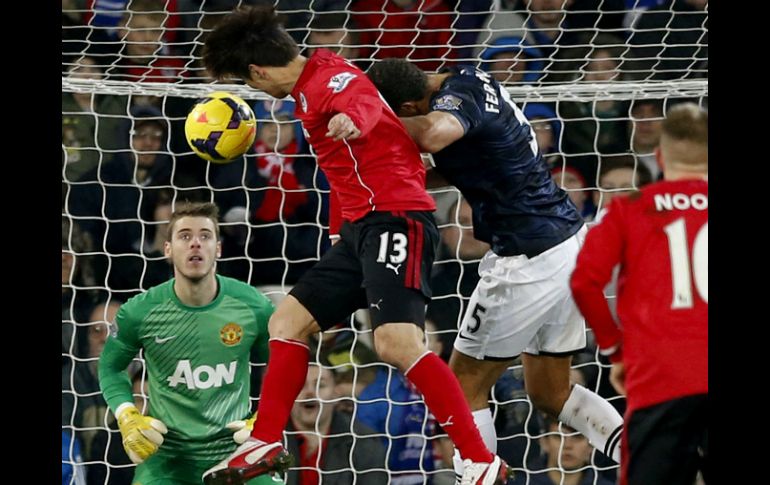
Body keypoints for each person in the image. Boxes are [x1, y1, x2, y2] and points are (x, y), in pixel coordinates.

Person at [199, 6, 513, 485]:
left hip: (397, 219)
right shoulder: (311, 86)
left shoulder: (331, 80)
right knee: (286, 322)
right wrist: (336, 235)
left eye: (248, 82)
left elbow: (363, 100)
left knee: (396, 343)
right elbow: (342, 174)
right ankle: (265, 441)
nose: (255, 90)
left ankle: (478, 458)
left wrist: (353, 119)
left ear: (258, 72)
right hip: (360, 229)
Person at [368, 58, 625, 481]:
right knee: (552, 393)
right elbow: (461, 163)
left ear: (410, 106)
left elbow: (432, 133)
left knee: (461, 387)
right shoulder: (468, 75)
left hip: (528, 259)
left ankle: (478, 477)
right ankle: (649, 459)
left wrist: (368, 119)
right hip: (565, 245)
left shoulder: (453, 104)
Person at [570, 103, 708, 485]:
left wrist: (615, 350)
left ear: (660, 157)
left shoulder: (629, 209)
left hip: (662, 376)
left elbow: (584, 282)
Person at [98, 202, 281, 485]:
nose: (195, 243)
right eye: (184, 236)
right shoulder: (140, 312)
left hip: (236, 450)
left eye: (205, 236)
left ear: (218, 249)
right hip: (168, 457)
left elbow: (282, 363)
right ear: (168, 249)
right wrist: (126, 415)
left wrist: (266, 418)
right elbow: (110, 367)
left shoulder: (253, 306)